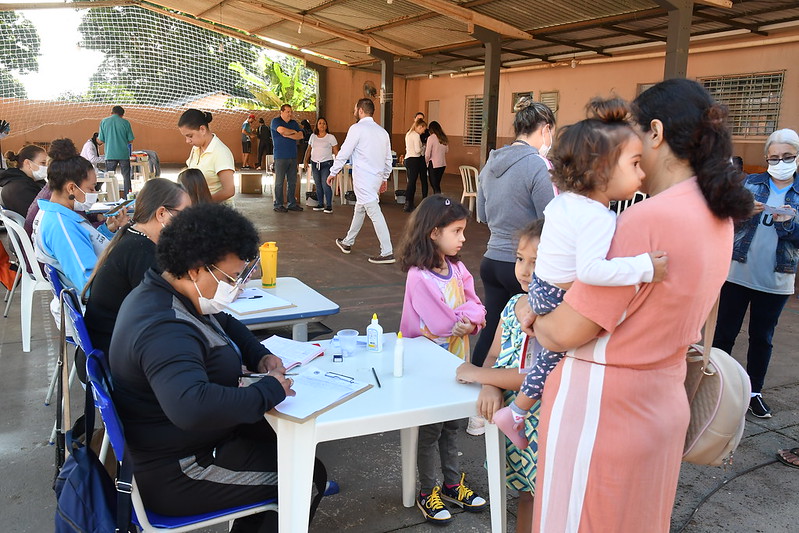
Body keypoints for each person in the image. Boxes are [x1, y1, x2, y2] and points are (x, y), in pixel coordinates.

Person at [528, 80, 752, 533]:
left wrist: (530, 317)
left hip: (603, 410)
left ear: (655, 132)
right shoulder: (718, 215)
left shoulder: (643, 219)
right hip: (662, 400)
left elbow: (564, 332)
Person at [490, 98, 668, 450]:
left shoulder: (565, 201)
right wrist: (644, 267)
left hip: (542, 288)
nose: (642, 173)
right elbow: (591, 270)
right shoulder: (596, 216)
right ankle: (518, 412)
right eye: (634, 164)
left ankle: (517, 410)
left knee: (543, 354)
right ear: (602, 170)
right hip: (557, 294)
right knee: (550, 359)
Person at [109, 203, 294, 532]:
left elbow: (224, 321)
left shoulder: (168, 291)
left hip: (187, 441)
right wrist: (269, 390)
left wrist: (258, 354)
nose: (237, 287)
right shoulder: (164, 328)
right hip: (181, 469)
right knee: (304, 475)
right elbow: (192, 407)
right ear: (196, 269)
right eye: (231, 278)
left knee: (287, 441)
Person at [396, 194, 488, 525]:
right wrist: (467, 319)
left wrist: (470, 320)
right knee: (430, 431)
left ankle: (451, 484)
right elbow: (440, 322)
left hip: (456, 365)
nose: (463, 238)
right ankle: (427, 490)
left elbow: (478, 307)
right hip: (429, 370)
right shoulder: (418, 276)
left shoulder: (457, 269)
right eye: (457, 231)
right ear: (434, 232)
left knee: (452, 426)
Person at [455, 219, 543, 533]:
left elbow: (534, 377)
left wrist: (477, 374)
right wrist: (490, 384)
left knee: (543, 495)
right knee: (526, 494)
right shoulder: (513, 304)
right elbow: (494, 353)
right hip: (514, 419)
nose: (525, 270)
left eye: (536, 262)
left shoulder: (552, 317)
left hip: (540, 421)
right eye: (520, 259)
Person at [712, 128, 799, 418]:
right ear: (766, 158)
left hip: (776, 279)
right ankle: (716, 386)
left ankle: (753, 392)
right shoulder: (750, 184)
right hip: (737, 273)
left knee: (762, 337)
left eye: (787, 156)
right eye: (774, 157)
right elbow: (723, 219)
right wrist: (742, 212)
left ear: (797, 157)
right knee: (724, 333)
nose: (780, 162)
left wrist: (788, 223)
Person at [472, 98, 555, 370]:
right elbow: (549, 219)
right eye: (551, 133)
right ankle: (511, 387)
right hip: (523, 265)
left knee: (491, 330)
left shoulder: (490, 163)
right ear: (545, 129)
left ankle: (475, 378)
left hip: (491, 261)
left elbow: (482, 214)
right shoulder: (537, 165)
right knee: (525, 335)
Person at [83, 178, 190, 355]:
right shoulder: (141, 252)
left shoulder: (134, 238)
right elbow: (171, 308)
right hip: (116, 352)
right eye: (185, 214)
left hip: (112, 343)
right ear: (162, 213)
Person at [32, 138, 128, 292]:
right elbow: (89, 284)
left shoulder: (54, 214)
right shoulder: (61, 227)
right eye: (91, 188)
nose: (94, 193)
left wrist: (107, 230)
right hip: (99, 299)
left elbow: (85, 244)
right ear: (71, 188)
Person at [328, 98, 395, 264]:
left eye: (354, 109)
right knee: (360, 208)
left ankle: (387, 251)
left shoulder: (356, 128)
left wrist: (333, 171)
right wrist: (384, 178)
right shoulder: (383, 132)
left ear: (360, 110)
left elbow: (344, 152)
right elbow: (388, 159)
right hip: (376, 178)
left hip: (363, 179)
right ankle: (347, 242)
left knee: (374, 211)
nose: (353, 112)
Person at [179, 109, 235, 203]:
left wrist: (202, 202)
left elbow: (229, 191)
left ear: (202, 129)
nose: (187, 141)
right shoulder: (196, 148)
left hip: (217, 208)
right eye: (185, 137)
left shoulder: (221, 153)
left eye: (190, 136)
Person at [270, 104, 304, 212]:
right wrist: (293, 132)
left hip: (293, 156)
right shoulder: (275, 121)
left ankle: (291, 203)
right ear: (282, 112)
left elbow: (300, 135)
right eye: (287, 112)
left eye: (291, 112)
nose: (290, 114)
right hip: (280, 156)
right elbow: (281, 130)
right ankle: (278, 204)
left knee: (292, 181)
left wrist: (289, 134)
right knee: (279, 182)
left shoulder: (294, 123)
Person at [302, 117, 338, 214]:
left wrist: (338, 165)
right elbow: (309, 149)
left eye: (324, 123)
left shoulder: (330, 137)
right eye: (320, 123)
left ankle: (329, 205)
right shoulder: (313, 136)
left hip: (326, 163)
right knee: (318, 184)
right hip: (315, 163)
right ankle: (321, 204)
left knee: (325, 184)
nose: (322, 125)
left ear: (326, 126)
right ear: (317, 125)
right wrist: (305, 160)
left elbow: (336, 151)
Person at [0, 145, 47, 217]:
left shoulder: (27, 182)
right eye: (43, 163)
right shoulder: (20, 188)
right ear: (28, 163)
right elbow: (39, 216)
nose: (47, 167)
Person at [98, 105, 135, 195]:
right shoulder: (125, 123)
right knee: (126, 176)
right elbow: (131, 140)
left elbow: (101, 140)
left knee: (109, 177)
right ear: (122, 115)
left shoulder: (104, 122)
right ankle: (127, 195)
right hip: (123, 154)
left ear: (111, 113)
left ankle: (110, 195)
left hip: (110, 154)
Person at [403, 117, 428, 212]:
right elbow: (417, 150)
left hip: (408, 159)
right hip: (414, 159)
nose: (423, 132)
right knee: (412, 183)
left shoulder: (408, 134)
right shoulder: (416, 135)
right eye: (423, 129)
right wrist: (423, 147)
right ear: (420, 127)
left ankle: (408, 202)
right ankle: (409, 203)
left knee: (410, 182)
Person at [425, 121, 449, 195]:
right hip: (442, 164)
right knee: (437, 184)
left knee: (434, 185)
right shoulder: (443, 137)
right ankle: (438, 197)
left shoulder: (431, 138)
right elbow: (447, 150)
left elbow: (427, 154)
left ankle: (438, 198)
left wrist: (425, 162)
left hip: (433, 164)